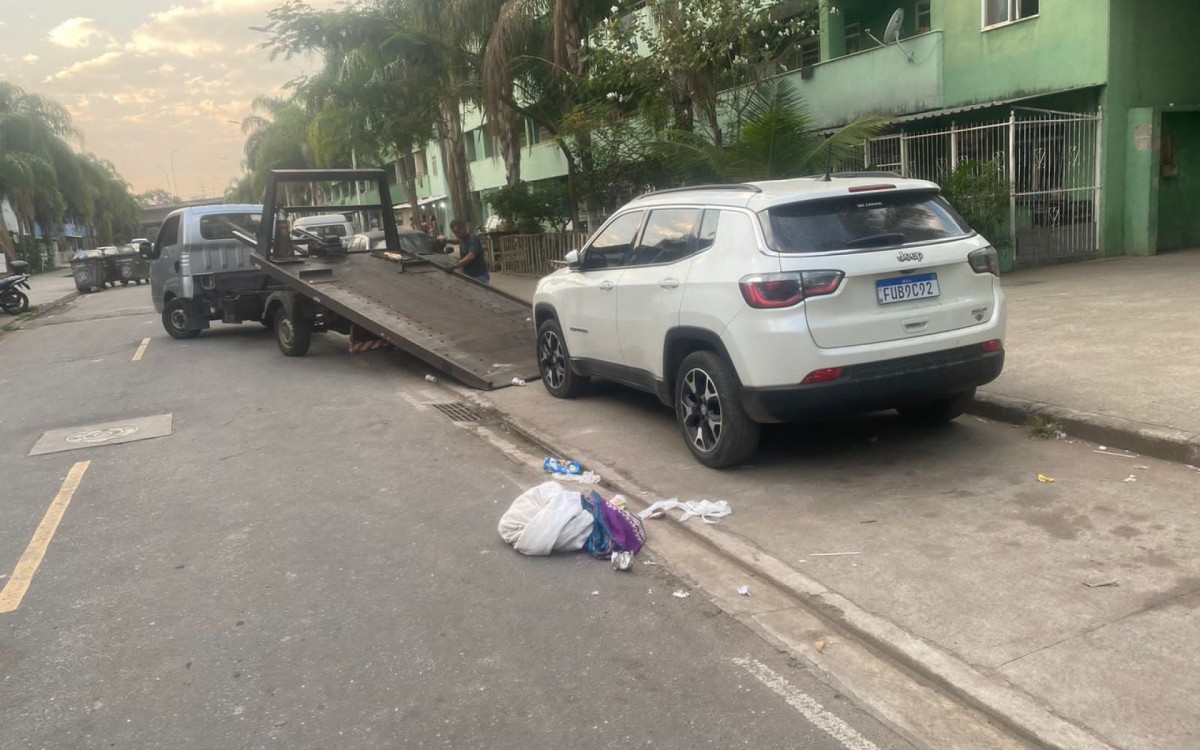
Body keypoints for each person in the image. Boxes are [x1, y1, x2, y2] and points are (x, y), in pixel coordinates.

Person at [441, 218, 489, 284]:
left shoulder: (473, 239)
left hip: (479, 275)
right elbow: (458, 241)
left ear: (464, 228)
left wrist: (455, 265)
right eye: (455, 233)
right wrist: (446, 241)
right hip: (469, 274)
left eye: (458, 232)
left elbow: (471, 256)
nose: (457, 235)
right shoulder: (462, 238)